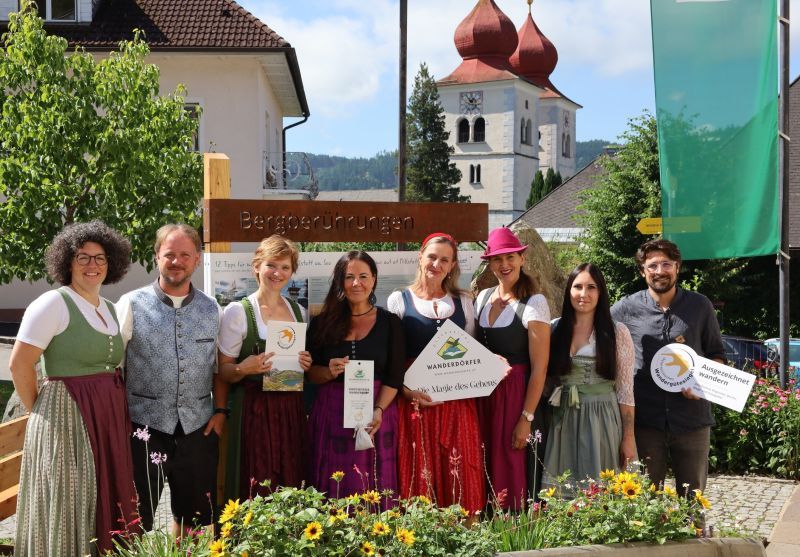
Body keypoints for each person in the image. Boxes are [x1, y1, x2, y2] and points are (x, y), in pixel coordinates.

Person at [10, 221, 138, 556]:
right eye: (83, 257)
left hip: (106, 415)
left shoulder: (109, 308)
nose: (92, 265)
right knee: (71, 497)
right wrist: (44, 411)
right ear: (68, 262)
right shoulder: (53, 303)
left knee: (101, 493)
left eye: (100, 258)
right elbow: (19, 365)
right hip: (67, 415)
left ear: (111, 263)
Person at [116, 224, 227, 533]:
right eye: (169, 255)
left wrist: (220, 412)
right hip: (143, 429)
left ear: (197, 259)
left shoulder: (212, 308)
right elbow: (113, 369)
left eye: (185, 255)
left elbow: (218, 368)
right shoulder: (131, 303)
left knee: (194, 520)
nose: (176, 262)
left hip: (197, 429)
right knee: (134, 518)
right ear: (156, 256)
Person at [611, 239, 725, 495]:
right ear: (642, 271)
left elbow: (717, 354)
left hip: (692, 420)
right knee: (645, 500)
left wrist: (702, 385)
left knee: (693, 499)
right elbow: (598, 336)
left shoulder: (700, 306)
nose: (659, 271)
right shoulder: (625, 309)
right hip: (645, 422)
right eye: (652, 265)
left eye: (666, 264)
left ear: (677, 267)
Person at [388, 233, 485, 513]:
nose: (436, 264)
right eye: (432, 257)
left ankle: (465, 534)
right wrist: (405, 391)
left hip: (456, 402)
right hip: (414, 400)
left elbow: (471, 350)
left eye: (445, 260)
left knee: (461, 468)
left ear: (452, 265)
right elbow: (392, 357)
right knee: (419, 469)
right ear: (420, 257)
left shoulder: (463, 301)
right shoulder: (399, 299)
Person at [218, 235, 312, 500]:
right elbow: (223, 371)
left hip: (290, 409)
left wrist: (305, 363)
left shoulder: (299, 311)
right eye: (271, 265)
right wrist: (242, 369)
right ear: (257, 266)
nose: (277, 273)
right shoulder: (238, 312)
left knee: (291, 478)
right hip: (253, 410)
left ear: (291, 272)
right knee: (257, 478)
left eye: (285, 267)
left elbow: (299, 366)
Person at [306, 251, 405, 499]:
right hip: (331, 412)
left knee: (374, 482)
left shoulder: (390, 322)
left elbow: (395, 376)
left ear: (374, 279)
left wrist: (379, 410)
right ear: (340, 281)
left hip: (376, 412)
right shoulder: (321, 323)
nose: (356, 283)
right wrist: (328, 371)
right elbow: (310, 374)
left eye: (363, 276)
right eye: (349, 277)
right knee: (333, 482)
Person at [542, 263, 636, 490]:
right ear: (569, 291)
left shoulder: (616, 332)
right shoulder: (554, 329)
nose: (583, 294)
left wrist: (628, 437)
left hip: (601, 418)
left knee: (601, 489)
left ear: (600, 292)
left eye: (591, 287)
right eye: (577, 287)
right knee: (563, 489)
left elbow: (625, 392)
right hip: (563, 419)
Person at [475, 227, 550, 510]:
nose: (504, 264)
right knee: (487, 461)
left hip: (517, 396)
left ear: (521, 259)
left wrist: (526, 418)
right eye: (497, 259)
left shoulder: (534, 303)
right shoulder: (482, 298)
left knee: (513, 462)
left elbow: (540, 368)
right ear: (489, 263)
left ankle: (516, 526)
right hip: (486, 395)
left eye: (510, 257)